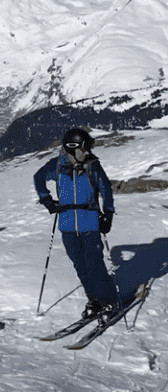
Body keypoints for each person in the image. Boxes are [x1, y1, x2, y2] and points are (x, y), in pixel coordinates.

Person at [34, 127, 119, 320]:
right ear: (73, 148)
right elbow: (38, 178)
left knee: (94, 265)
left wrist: (108, 214)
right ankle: (94, 299)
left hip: (90, 223)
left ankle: (108, 301)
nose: (87, 152)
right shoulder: (57, 165)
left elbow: (106, 189)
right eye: (84, 149)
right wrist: (47, 200)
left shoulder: (92, 166)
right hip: (67, 226)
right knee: (80, 265)